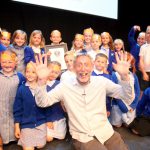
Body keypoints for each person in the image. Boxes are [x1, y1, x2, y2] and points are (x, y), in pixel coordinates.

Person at [34, 51, 133, 150]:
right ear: (73, 67)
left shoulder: (102, 82)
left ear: (92, 66)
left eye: (86, 64)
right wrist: (42, 81)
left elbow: (127, 96)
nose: (83, 68)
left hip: (105, 132)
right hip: (82, 137)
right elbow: (43, 102)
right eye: (79, 65)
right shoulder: (64, 86)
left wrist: (124, 76)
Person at [13, 62, 47, 150]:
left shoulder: (42, 87)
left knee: (40, 146)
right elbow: (17, 109)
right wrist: (17, 126)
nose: (30, 74)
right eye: (28, 71)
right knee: (28, 148)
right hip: (27, 124)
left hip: (40, 123)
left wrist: (49, 121)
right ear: (24, 72)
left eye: (33, 72)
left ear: (38, 74)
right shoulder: (21, 89)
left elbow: (48, 106)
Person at [0, 50, 25, 148]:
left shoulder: (20, 77)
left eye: (10, 62)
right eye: (4, 62)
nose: (7, 64)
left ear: (15, 63)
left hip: (14, 111)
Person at [110, 52, 140, 127]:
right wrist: (123, 107)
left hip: (131, 104)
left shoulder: (133, 76)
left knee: (128, 124)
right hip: (118, 104)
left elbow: (137, 91)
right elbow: (115, 93)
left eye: (128, 61)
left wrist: (133, 105)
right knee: (117, 125)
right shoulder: (114, 75)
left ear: (130, 65)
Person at [46, 61, 66, 142]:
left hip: (59, 116)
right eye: (51, 71)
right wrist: (48, 120)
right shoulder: (42, 84)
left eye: (56, 72)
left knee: (61, 137)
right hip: (47, 117)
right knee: (49, 138)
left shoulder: (60, 84)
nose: (53, 74)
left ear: (59, 73)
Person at [92, 53, 112, 118]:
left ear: (106, 64)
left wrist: (108, 108)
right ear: (94, 62)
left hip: (103, 106)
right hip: (91, 105)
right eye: (98, 61)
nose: (100, 63)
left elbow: (108, 95)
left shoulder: (107, 77)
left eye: (102, 62)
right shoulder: (88, 75)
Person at [139, 26, 150, 93]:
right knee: (143, 91)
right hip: (146, 72)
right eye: (148, 33)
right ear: (146, 34)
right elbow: (141, 60)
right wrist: (144, 73)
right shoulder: (143, 47)